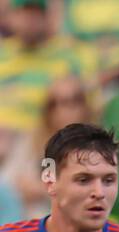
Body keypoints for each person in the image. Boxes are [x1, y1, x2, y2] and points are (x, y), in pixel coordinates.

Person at [2, 75, 98, 219]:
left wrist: (42, 190)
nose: (61, 110)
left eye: (70, 101)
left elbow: (92, 191)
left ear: (84, 105)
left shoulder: (98, 144)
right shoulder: (33, 139)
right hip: (25, 216)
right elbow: (8, 179)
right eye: (53, 104)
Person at [0, 0, 97, 136]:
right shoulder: (2, 53)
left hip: (45, 136)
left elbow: (88, 107)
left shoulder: (69, 56)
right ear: (10, 17)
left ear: (47, 17)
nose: (28, 21)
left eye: (35, 15)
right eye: (22, 14)